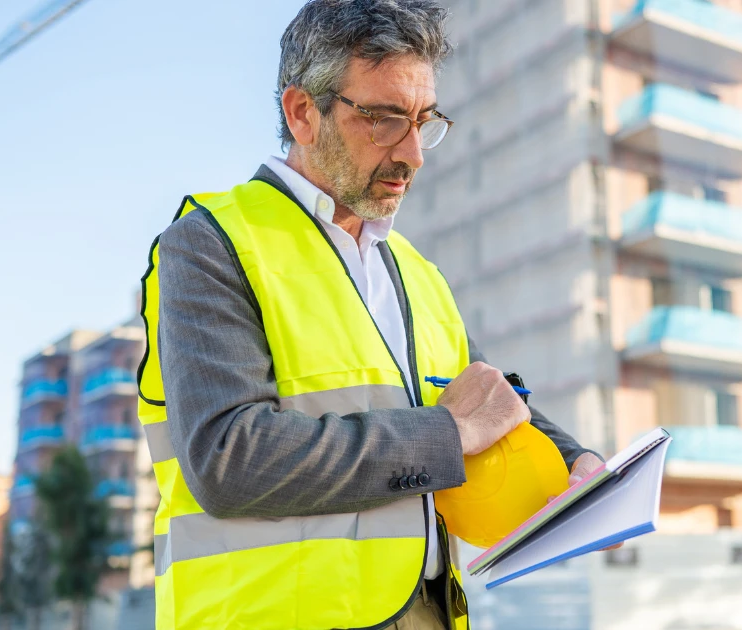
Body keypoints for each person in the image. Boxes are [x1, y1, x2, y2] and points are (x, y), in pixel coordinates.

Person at [136, 1, 610, 628]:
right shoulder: (210, 243)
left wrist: (577, 468)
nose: (413, 153)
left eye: (425, 121)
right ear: (302, 112)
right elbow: (229, 457)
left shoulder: (413, 270)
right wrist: (449, 436)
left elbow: (482, 399)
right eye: (385, 119)